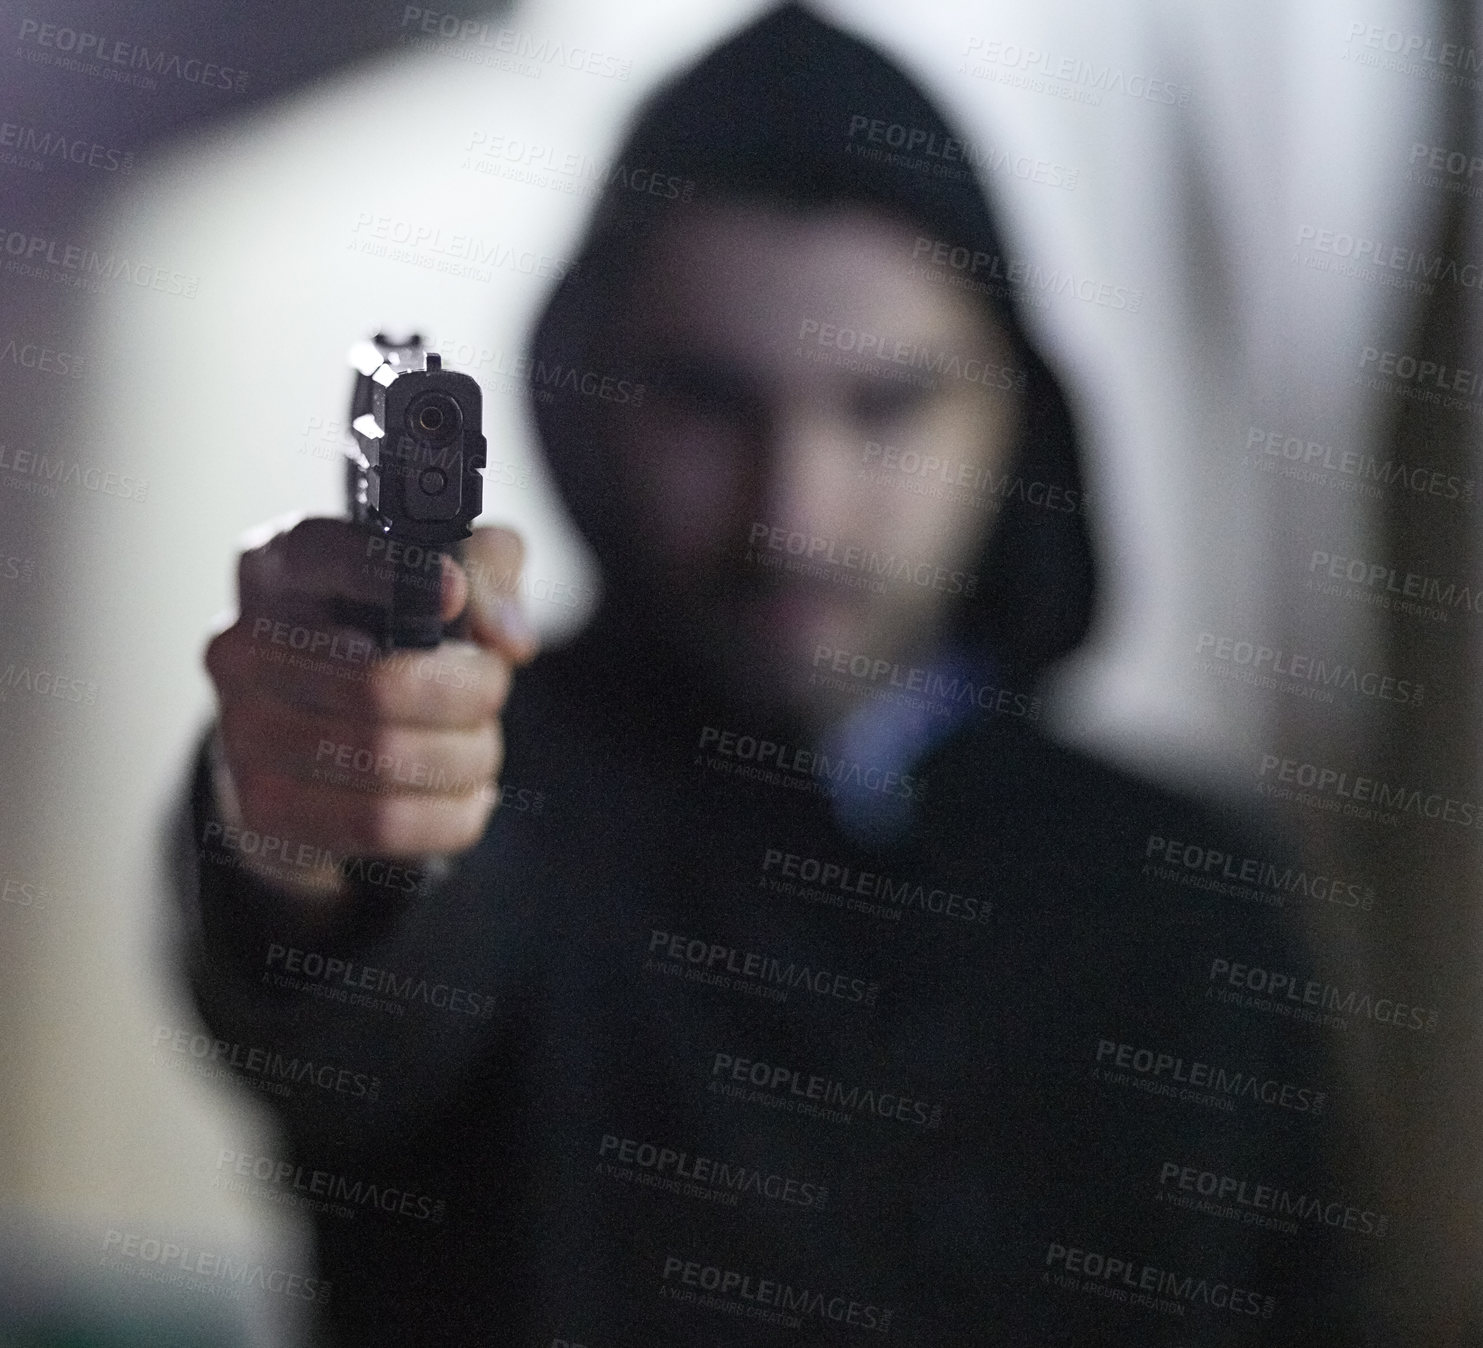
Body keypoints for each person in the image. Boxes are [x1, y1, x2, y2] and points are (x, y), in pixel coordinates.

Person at [179, 6, 1354, 1342]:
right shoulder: (510, 801)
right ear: (591, 399)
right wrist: (318, 834)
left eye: (886, 406)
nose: (795, 506)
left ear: (1015, 414)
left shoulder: (1186, 890)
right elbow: (347, 999)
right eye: (709, 401)